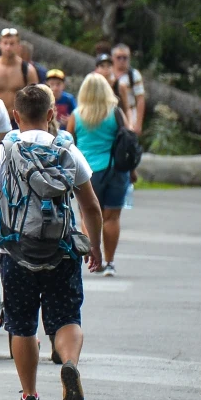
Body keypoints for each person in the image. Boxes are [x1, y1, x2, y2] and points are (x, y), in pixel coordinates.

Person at [0, 85, 104, 400]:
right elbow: (91, 206)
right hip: (62, 250)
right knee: (67, 318)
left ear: (15, 116)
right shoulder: (68, 151)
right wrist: (95, 246)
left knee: (22, 325)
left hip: (16, 251)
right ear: (50, 114)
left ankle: (29, 395)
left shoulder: (3, 152)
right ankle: (69, 364)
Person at [66, 73, 129, 277]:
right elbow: (127, 140)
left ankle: (93, 256)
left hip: (85, 173)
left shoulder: (76, 115)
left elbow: (68, 144)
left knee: (87, 213)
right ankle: (109, 262)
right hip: (114, 171)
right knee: (111, 217)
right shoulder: (116, 113)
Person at [0, 27, 39, 116]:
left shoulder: (28, 70)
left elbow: (35, 100)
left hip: (19, 119)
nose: (8, 47)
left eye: (12, 44)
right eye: (5, 43)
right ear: (0, 44)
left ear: (18, 46)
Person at [110, 44, 146, 136]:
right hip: (111, 114)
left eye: (125, 58)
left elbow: (140, 99)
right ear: (113, 58)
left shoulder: (134, 75)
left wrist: (138, 124)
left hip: (130, 113)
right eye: (119, 57)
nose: (122, 60)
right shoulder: (108, 74)